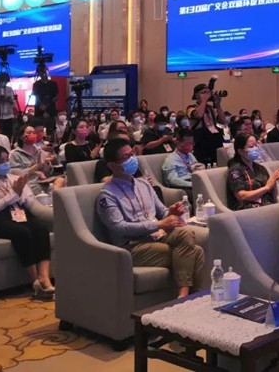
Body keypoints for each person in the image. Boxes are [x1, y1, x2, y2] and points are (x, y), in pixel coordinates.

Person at [96, 139, 205, 297]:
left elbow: (162, 212)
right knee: (196, 251)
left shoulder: (144, 185)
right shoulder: (107, 195)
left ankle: (186, 296)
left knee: (186, 233)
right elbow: (119, 228)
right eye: (125, 158)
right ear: (112, 165)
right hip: (132, 246)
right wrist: (159, 224)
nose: (132, 160)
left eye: (132, 155)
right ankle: (187, 297)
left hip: (155, 236)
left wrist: (171, 212)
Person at [0, 146, 53, 298]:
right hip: (0, 218)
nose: (5, 164)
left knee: (41, 229)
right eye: (1, 161)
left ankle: (44, 277)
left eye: (7, 160)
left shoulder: (14, 178)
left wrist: (21, 192)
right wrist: (13, 194)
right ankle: (35, 280)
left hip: (21, 212)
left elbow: (29, 201)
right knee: (22, 233)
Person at [226, 133, 279, 210]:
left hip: (267, 205)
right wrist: (266, 187)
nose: (255, 149)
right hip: (247, 209)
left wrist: (273, 181)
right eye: (251, 147)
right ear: (240, 151)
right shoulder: (235, 170)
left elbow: (273, 196)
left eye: (256, 145)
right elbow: (241, 196)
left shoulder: (261, 168)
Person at [9, 125, 61, 195]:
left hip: (43, 183)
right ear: (21, 137)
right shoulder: (15, 154)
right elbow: (17, 174)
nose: (32, 135)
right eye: (29, 133)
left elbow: (47, 173)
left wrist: (46, 163)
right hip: (29, 185)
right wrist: (36, 167)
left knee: (60, 181)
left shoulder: (39, 152)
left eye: (34, 133)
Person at [190, 82, 226, 166]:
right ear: (196, 95)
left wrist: (218, 105)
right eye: (203, 92)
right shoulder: (191, 108)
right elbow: (198, 115)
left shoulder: (210, 108)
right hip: (201, 143)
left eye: (208, 92)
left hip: (214, 140)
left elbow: (223, 121)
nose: (207, 95)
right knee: (204, 165)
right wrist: (203, 101)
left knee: (217, 164)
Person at [161, 128, 203, 197]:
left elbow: (197, 166)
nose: (190, 146)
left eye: (191, 143)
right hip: (181, 186)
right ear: (178, 142)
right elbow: (173, 180)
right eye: (187, 143)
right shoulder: (171, 159)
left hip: (192, 180)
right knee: (201, 192)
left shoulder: (190, 155)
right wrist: (192, 184)